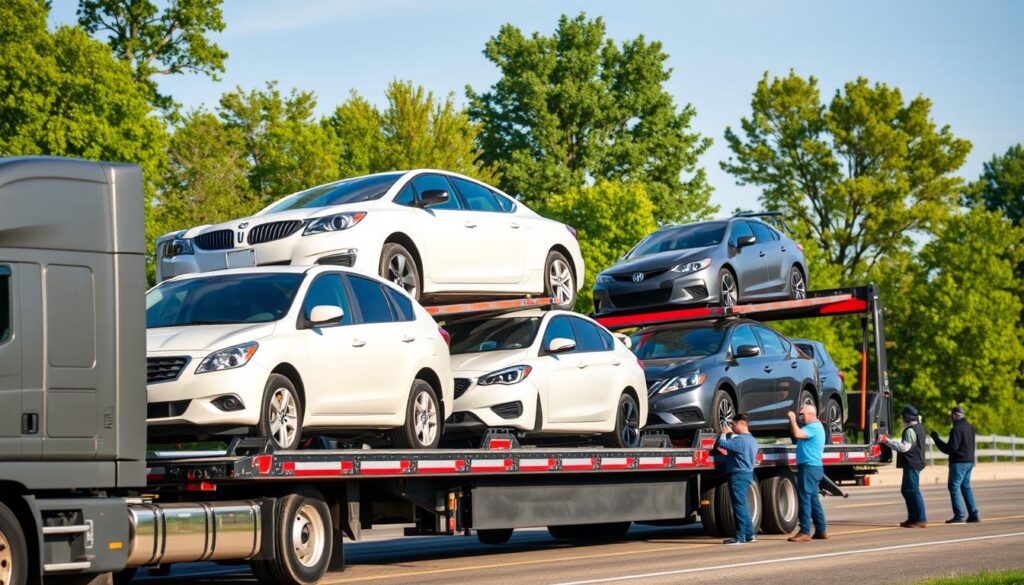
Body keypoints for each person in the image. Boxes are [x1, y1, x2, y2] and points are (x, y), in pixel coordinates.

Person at [931, 405, 980, 524]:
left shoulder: (957, 429)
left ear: (955, 415)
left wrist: (936, 440)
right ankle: (973, 514)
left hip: (959, 463)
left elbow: (950, 449)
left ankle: (959, 515)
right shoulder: (970, 427)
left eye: (951, 416)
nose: (950, 418)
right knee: (965, 487)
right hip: (969, 462)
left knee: (954, 487)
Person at [881, 405, 928, 528]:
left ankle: (920, 519)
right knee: (906, 490)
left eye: (904, 416)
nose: (902, 418)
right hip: (915, 463)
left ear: (908, 416)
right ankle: (912, 518)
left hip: (912, 463)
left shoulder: (911, 430)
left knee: (912, 490)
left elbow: (904, 447)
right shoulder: (919, 427)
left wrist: (887, 442)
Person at [786, 404, 827, 542]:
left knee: (804, 499)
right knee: (814, 500)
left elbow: (797, 434)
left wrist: (792, 419)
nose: (800, 417)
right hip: (814, 467)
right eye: (799, 415)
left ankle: (804, 532)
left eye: (802, 414)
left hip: (809, 468)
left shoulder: (813, 427)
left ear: (811, 414)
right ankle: (821, 530)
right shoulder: (816, 427)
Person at [717, 413, 759, 545]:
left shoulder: (740, 440)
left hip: (738, 475)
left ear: (741, 423)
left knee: (739, 507)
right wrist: (730, 434)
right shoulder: (751, 439)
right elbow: (734, 445)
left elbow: (722, 444)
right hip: (747, 474)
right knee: (743, 506)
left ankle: (740, 537)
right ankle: (750, 534)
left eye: (733, 424)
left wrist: (724, 433)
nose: (732, 427)